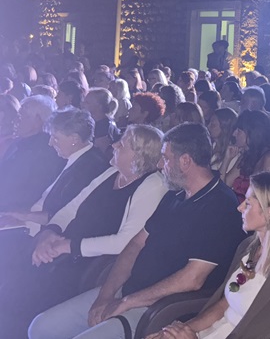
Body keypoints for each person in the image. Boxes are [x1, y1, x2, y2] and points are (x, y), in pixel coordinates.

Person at [29, 122, 246, 339]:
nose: (160, 165)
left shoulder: (220, 206)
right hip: (128, 291)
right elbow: (135, 244)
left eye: (165, 158)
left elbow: (192, 279)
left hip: (161, 309)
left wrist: (127, 302)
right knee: (42, 327)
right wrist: (106, 295)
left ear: (185, 161)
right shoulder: (175, 195)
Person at [0, 125, 167, 338]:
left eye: (122, 144)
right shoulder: (111, 172)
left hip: (92, 264)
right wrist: (48, 234)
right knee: (13, 281)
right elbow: (71, 208)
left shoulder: (152, 185)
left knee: (24, 299)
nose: (114, 145)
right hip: (64, 249)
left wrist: (67, 246)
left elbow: (125, 242)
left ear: (139, 155)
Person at [145, 170, 270, 339]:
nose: (239, 207)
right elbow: (224, 304)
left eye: (248, 203)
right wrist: (181, 330)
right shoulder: (249, 248)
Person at [0, 95, 62, 212]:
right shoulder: (18, 143)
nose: (15, 121)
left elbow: (32, 192)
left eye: (20, 117)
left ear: (37, 121)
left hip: (17, 212)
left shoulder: (46, 151)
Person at [223, 110, 270, 202]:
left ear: (252, 134)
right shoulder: (247, 155)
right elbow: (225, 184)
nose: (234, 134)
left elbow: (267, 197)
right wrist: (226, 159)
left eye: (239, 131)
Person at [208, 106, 238, 172]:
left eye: (213, 125)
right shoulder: (210, 145)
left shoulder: (233, 153)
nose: (208, 126)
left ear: (224, 128)